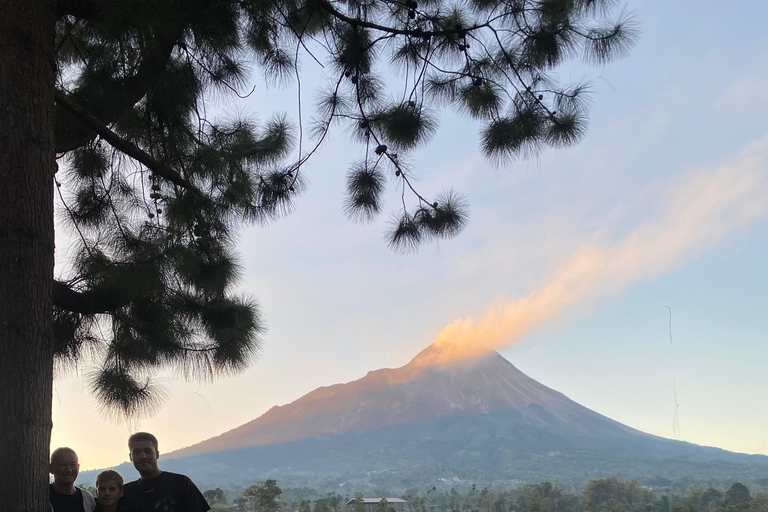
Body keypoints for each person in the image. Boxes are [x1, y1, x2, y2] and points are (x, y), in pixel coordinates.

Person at [122, 432, 210, 512]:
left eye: (148, 451)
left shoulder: (181, 483)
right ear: (131, 457)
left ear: (157, 454)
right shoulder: (125, 492)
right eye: (137, 452)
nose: (143, 456)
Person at [50, 447, 97, 512]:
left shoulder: (87, 499)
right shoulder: (43, 494)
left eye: (72, 465)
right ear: (51, 468)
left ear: (78, 467)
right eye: (62, 465)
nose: (69, 469)